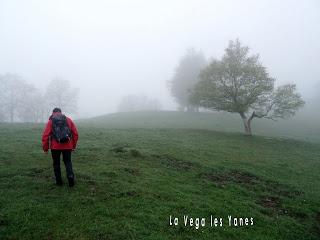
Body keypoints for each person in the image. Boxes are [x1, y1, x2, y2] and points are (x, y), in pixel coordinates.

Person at [42, 107, 79, 187]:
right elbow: (75, 133)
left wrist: (45, 148)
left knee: (56, 164)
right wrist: (73, 146)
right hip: (68, 146)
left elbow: (45, 136)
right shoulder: (68, 120)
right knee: (68, 162)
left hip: (55, 147)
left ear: (53, 113)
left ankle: (59, 182)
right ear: (61, 112)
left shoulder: (51, 121)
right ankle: (71, 178)